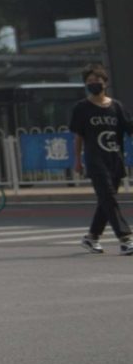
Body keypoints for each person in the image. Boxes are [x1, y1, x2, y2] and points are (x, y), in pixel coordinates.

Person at [70, 64, 131, 254]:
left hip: (115, 159)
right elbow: (78, 136)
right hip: (95, 160)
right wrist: (78, 161)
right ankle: (125, 239)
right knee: (108, 198)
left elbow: (128, 129)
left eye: (97, 81)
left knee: (106, 200)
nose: (93, 84)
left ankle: (92, 237)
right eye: (89, 82)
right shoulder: (82, 108)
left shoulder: (116, 106)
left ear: (105, 83)